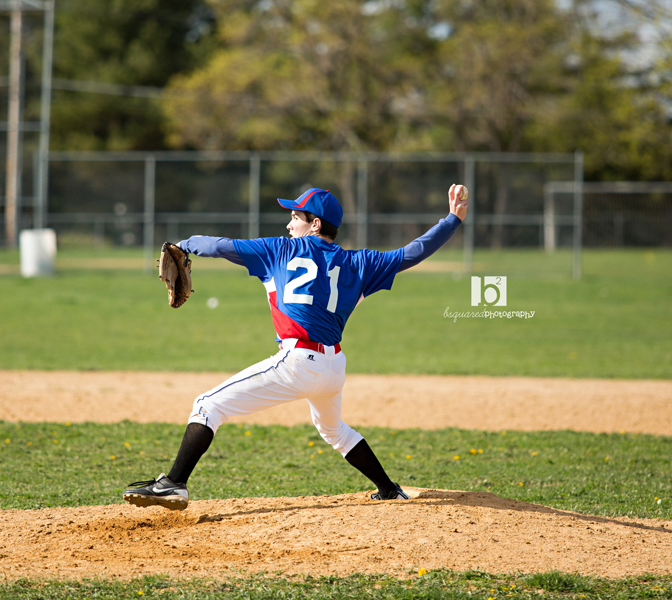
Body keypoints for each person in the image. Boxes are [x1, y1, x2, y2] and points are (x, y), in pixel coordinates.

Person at [124, 183, 469, 510]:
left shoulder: (279, 249)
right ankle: (389, 489)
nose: (289, 224)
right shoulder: (359, 263)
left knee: (207, 405)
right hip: (333, 367)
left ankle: (173, 483)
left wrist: (184, 244)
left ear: (315, 224)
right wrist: (452, 220)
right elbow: (411, 253)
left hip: (298, 361)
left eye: (295, 217)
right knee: (333, 429)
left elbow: (221, 245)